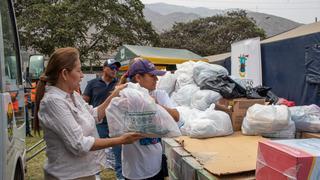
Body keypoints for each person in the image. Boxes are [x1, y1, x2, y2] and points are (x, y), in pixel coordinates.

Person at [34, 47, 143, 180]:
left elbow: (94, 114)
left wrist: (115, 94)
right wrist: (121, 140)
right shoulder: (53, 102)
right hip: (68, 176)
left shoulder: (73, 95)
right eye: (79, 70)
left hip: (84, 172)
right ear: (64, 74)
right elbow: (79, 144)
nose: (82, 75)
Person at [120, 58, 184, 180]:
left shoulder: (159, 94)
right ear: (138, 78)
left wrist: (155, 104)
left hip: (156, 166)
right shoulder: (124, 97)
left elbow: (176, 116)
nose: (156, 79)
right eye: (152, 75)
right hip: (134, 171)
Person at [83, 58, 124, 180]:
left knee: (119, 152)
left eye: (116, 68)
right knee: (95, 152)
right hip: (98, 123)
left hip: (115, 123)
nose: (114, 70)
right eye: (112, 67)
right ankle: (95, 175)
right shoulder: (92, 83)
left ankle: (120, 176)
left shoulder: (118, 85)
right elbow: (84, 101)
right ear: (104, 68)